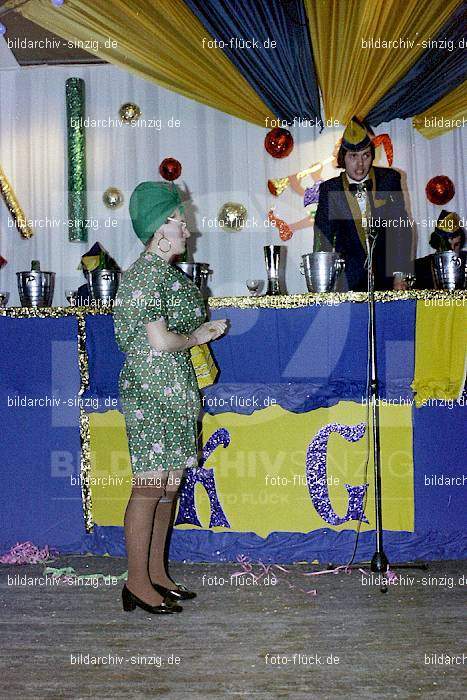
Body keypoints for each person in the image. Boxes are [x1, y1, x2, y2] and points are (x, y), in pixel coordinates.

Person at [113, 181, 227, 614]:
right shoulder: (144, 277)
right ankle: (137, 582)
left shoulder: (163, 273)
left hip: (171, 392)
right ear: (159, 227)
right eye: (179, 220)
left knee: (167, 488)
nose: (187, 228)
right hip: (151, 393)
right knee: (148, 488)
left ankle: (156, 574)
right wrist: (199, 334)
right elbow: (159, 341)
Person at [314, 118, 414, 291]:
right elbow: (323, 239)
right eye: (353, 156)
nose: (360, 164)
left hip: (388, 281)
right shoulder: (330, 189)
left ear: (372, 155)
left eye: (365, 156)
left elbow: (401, 230)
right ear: (343, 157)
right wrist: (323, 284)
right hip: (346, 283)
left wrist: (400, 275)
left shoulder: (388, 180)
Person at [415, 210, 465, 289]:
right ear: (437, 244)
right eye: (447, 246)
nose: (452, 250)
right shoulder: (420, 266)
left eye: (456, 244)